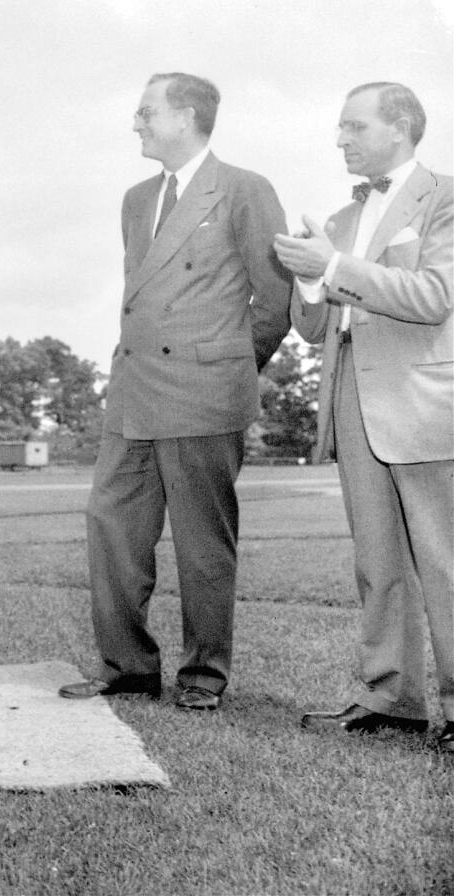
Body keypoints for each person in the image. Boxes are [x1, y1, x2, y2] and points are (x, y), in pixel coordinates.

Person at [59, 73, 292, 711]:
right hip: (133, 393)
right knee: (111, 529)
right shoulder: (136, 199)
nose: (135, 123)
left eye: (145, 112)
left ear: (186, 116)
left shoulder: (244, 189)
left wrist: (227, 367)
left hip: (203, 395)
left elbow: (275, 299)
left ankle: (203, 675)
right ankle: (128, 668)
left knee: (201, 545)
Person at [274, 82, 452, 754]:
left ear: (401, 126)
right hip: (352, 401)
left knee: (445, 562)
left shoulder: (445, 195)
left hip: (426, 405)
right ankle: (389, 698)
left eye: (353, 127)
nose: (340, 139)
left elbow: (435, 297)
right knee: (378, 562)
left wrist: (337, 264)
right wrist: (309, 277)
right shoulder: (343, 218)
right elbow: (312, 325)